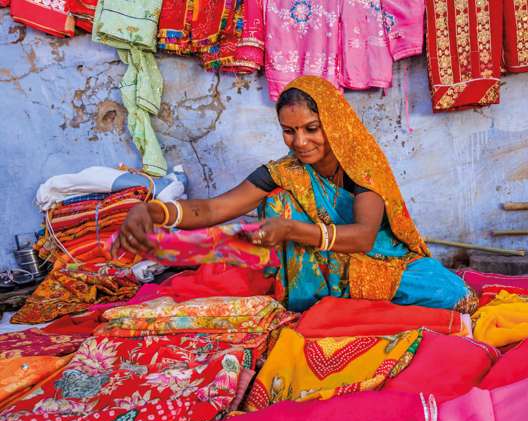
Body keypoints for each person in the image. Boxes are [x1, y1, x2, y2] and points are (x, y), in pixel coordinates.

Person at [113, 75, 477, 313]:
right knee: (279, 198)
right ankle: (315, 296)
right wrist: (154, 212)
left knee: (450, 293)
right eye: (289, 131)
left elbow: (365, 236)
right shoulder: (284, 171)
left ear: (331, 123)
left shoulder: (359, 163)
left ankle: (340, 297)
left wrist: (290, 231)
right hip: (319, 268)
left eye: (311, 129)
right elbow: (213, 208)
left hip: (377, 259)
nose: (300, 142)